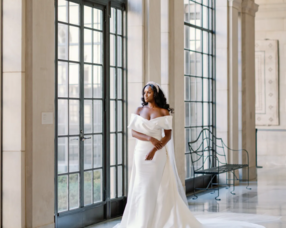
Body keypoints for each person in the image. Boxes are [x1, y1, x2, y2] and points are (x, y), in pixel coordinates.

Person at [113, 81, 279, 228]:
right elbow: (134, 133)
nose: (145, 95)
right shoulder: (139, 109)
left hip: (157, 155)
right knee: (140, 185)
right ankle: (140, 221)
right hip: (140, 152)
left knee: (153, 186)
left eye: (148, 92)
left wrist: (154, 149)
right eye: (144, 92)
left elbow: (168, 136)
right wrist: (149, 138)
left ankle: (156, 220)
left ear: (155, 94)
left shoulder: (164, 112)